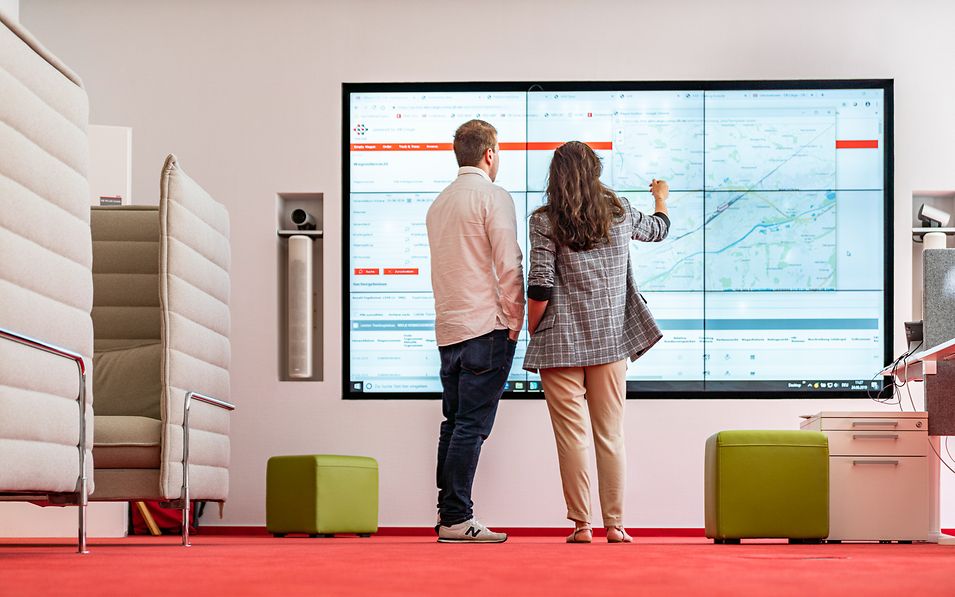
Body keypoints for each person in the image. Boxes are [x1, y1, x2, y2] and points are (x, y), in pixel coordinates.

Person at [523, 141, 670, 544]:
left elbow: (539, 283)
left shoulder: (544, 220)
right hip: (609, 340)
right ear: (595, 172)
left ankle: (581, 525)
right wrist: (661, 198)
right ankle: (615, 525)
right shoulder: (619, 211)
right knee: (610, 434)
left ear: (555, 177)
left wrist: (536, 330)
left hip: (559, 342)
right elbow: (659, 230)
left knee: (571, 437)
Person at [426, 119, 525, 543]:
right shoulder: (493, 196)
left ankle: (449, 515)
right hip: (487, 328)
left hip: (449, 330)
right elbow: (509, 265)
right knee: (471, 426)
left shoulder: (439, 203)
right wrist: (516, 324)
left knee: (454, 423)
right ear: (490, 154)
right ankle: (457, 518)